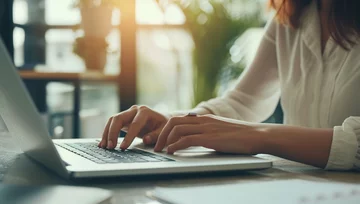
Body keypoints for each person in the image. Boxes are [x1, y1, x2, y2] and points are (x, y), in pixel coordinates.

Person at [99, 0, 360, 171]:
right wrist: (171, 122)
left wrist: (259, 136)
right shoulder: (292, 15)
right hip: (297, 194)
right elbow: (243, 102)